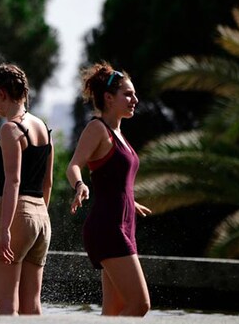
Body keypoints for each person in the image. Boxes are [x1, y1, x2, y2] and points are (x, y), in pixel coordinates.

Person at [66, 62, 152, 316]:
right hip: (108, 228)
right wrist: (80, 185)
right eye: (127, 94)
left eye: (134, 94)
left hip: (123, 225)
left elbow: (115, 179)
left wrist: (129, 201)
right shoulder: (98, 129)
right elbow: (73, 166)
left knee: (113, 312)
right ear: (108, 98)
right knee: (139, 305)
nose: (134, 99)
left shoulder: (119, 134)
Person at [0, 63, 54, 316]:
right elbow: (48, 183)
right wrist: (39, 217)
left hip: (13, 214)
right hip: (40, 218)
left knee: (6, 309)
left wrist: (4, 231)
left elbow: (13, 181)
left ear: (2, 93)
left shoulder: (11, 129)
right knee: (31, 308)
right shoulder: (44, 128)